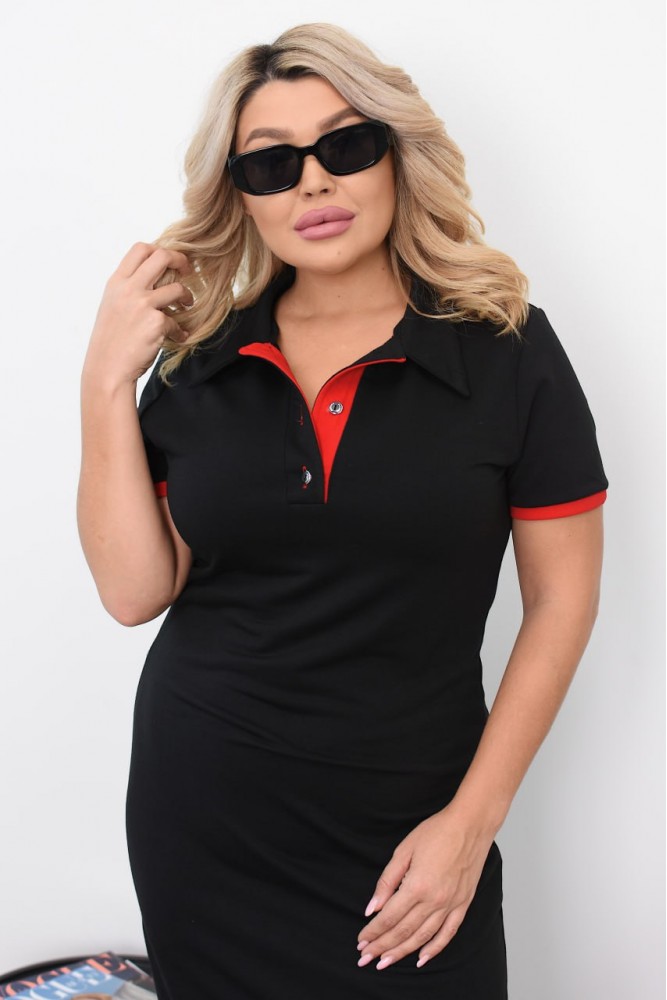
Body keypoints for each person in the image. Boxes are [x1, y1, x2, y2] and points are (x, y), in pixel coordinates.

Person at [77, 22, 608, 1000]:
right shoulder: (198, 365)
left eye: (345, 146)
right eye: (272, 163)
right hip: (206, 818)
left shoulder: (505, 349)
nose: (313, 182)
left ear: (396, 156)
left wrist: (471, 824)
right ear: (240, 194)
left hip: (414, 826)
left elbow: (561, 600)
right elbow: (132, 590)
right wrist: (105, 378)